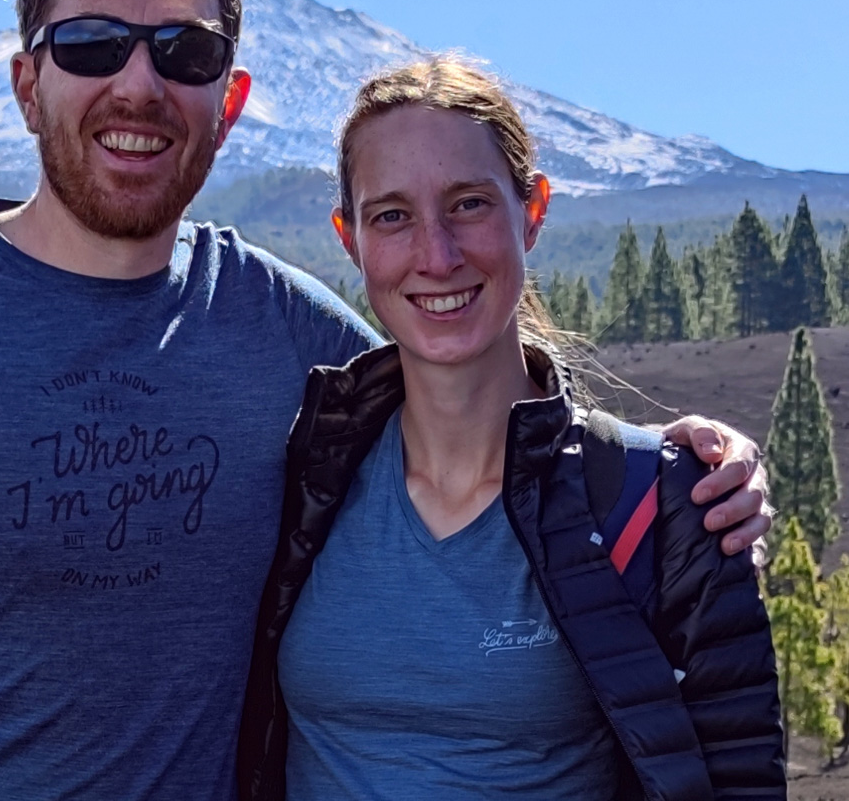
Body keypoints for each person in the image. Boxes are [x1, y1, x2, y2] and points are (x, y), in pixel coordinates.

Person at [0, 0, 771, 801]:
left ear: (230, 99)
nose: (138, 84)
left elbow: (459, 355)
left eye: (185, 51)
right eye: (90, 45)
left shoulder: (277, 323)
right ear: (27, 84)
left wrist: (678, 462)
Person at [236, 59, 784, 800]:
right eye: (391, 215)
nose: (436, 255)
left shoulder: (658, 503)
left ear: (532, 212)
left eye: (467, 204)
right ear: (349, 238)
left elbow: (737, 775)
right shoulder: (303, 482)